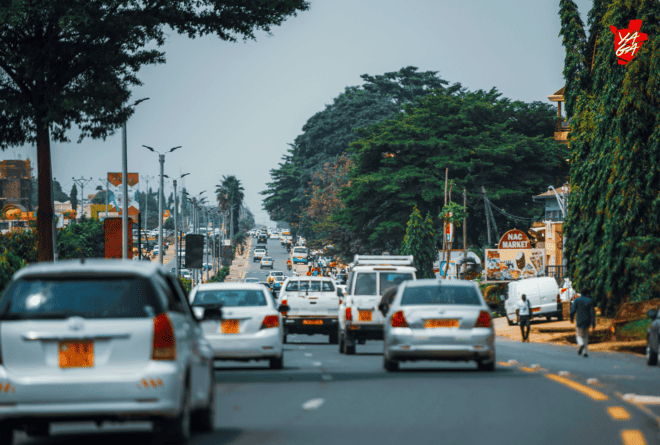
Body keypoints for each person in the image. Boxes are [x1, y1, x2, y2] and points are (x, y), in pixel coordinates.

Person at [570, 289, 596, 357]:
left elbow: (572, 311)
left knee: (579, 336)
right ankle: (585, 352)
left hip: (579, 321)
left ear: (581, 293)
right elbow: (592, 313)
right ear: (587, 293)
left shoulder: (577, 300)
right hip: (587, 321)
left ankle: (581, 345)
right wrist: (593, 324)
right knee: (585, 336)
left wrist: (571, 318)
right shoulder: (589, 300)